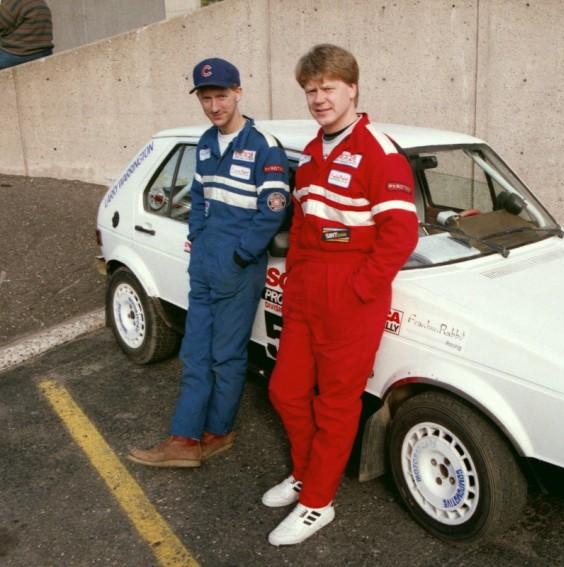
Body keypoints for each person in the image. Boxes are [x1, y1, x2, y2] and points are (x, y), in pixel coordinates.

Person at [264, 44, 418, 545]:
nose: (318, 98)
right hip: (308, 294)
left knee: (335, 405)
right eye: (310, 90)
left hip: (351, 298)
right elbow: (306, 229)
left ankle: (318, 503)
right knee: (285, 391)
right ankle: (308, 472)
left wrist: (358, 289)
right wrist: (294, 285)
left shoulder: (379, 150)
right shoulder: (311, 152)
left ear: (352, 87)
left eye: (328, 87)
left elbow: (400, 234)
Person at [129, 57, 289, 467]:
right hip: (203, 262)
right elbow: (198, 198)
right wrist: (197, 237)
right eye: (206, 98)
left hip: (238, 267)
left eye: (221, 96)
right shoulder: (204, 143)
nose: (215, 106)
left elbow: (272, 209)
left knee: (227, 355)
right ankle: (184, 440)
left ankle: (216, 433)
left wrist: (239, 255)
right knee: (195, 352)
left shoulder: (263, 147)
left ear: (238, 93)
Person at [0, 0, 53, 70]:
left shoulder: (13, 3)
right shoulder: (40, 2)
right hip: (43, 52)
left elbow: (2, 24)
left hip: (20, 54)